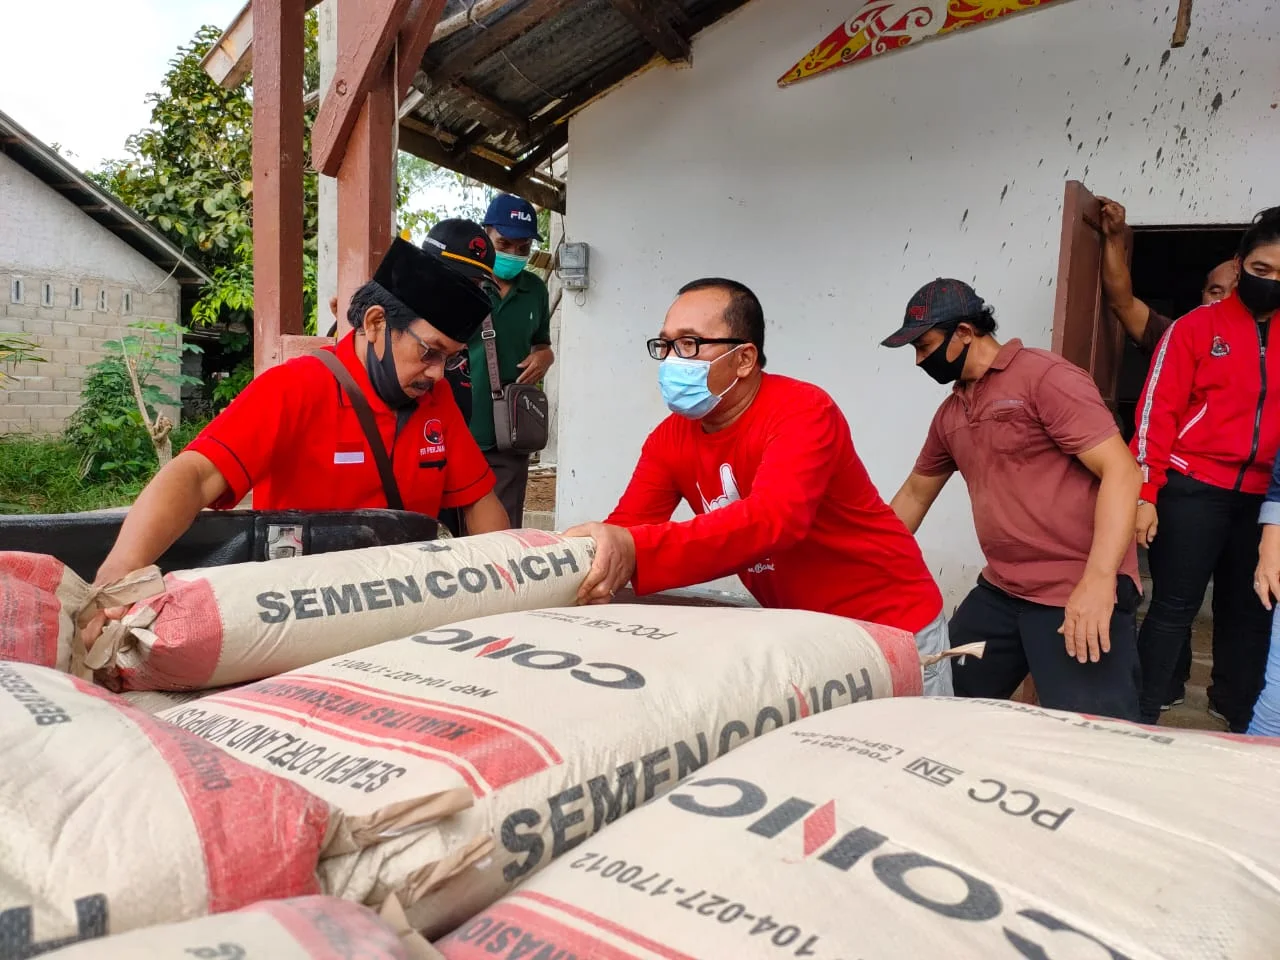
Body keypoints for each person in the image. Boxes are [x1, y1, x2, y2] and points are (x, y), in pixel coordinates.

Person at [563, 278, 954, 696]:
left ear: (745, 358)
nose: (672, 360)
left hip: (890, 628)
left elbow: (774, 520)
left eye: (690, 344)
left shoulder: (803, 411)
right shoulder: (669, 439)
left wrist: (633, 549)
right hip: (804, 636)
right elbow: (627, 528)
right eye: (666, 345)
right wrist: (584, 556)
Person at [92, 239, 509, 588]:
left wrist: (511, 576)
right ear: (377, 323)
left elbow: (479, 503)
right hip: (303, 606)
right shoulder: (296, 387)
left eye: (451, 360)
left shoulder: (435, 402)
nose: (438, 374)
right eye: (429, 352)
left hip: (401, 603)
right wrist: (121, 570)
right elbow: (196, 476)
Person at [884, 278, 1143, 720]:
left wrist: (1099, 582)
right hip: (1001, 590)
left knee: (1094, 733)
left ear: (964, 332)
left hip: (1074, 587)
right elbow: (913, 494)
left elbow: (1121, 470)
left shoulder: (1044, 377)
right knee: (942, 706)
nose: (919, 360)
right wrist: (863, 561)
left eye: (925, 346)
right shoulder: (951, 414)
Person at [1132, 206, 1280, 732]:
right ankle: (1145, 710)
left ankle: (1236, 711)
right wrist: (1146, 490)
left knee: (1250, 611)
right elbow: (1157, 409)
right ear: (1240, 266)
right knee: (1174, 605)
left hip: (1264, 498)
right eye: (1262, 271)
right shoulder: (1197, 328)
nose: (1271, 284)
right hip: (1193, 487)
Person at [1099, 197, 1239, 711]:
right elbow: (1120, 300)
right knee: (1175, 600)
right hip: (1186, 487)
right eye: (1214, 289)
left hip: (1251, 495)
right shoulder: (1178, 332)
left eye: (1236, 289)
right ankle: (1159, 693)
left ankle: (1231, 700)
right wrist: (1115, 239)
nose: (1222, 299)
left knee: (1241, 603)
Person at [465, 193, 555, 529]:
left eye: (523, 248)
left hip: (509, 434)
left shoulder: (535, 290)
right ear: (485, 233)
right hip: (459, 427)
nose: (514, 254)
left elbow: (541, 343)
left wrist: (545, 356)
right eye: (504, 242)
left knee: (502, 534)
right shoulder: (463, 281)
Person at [1100, 197, 1238, 351]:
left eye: (1237, 291)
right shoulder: (1179, 338)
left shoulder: (1264, 348)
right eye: (1215, 292)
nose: (1224, 299)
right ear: (1202, 296)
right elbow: (1123, 303)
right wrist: (1114, 236)